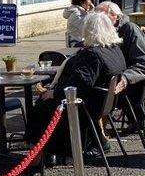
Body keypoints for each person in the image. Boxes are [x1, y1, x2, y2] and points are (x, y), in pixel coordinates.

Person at [25, 12, 126, 158]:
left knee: (40, 108)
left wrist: (53, 93)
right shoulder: (114, 50)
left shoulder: (92, 54)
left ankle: (40, 156)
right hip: (104, 102)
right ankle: (95, 142)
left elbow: (80, 83)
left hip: (86, 105)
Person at [95, 2, 145, 131]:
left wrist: (126, 78)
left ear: (116, 16)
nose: (99, 22)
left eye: (103, 18)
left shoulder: (130, 30)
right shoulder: (102, 32)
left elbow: (143, 64)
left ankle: (94, 137)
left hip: (129, 87)